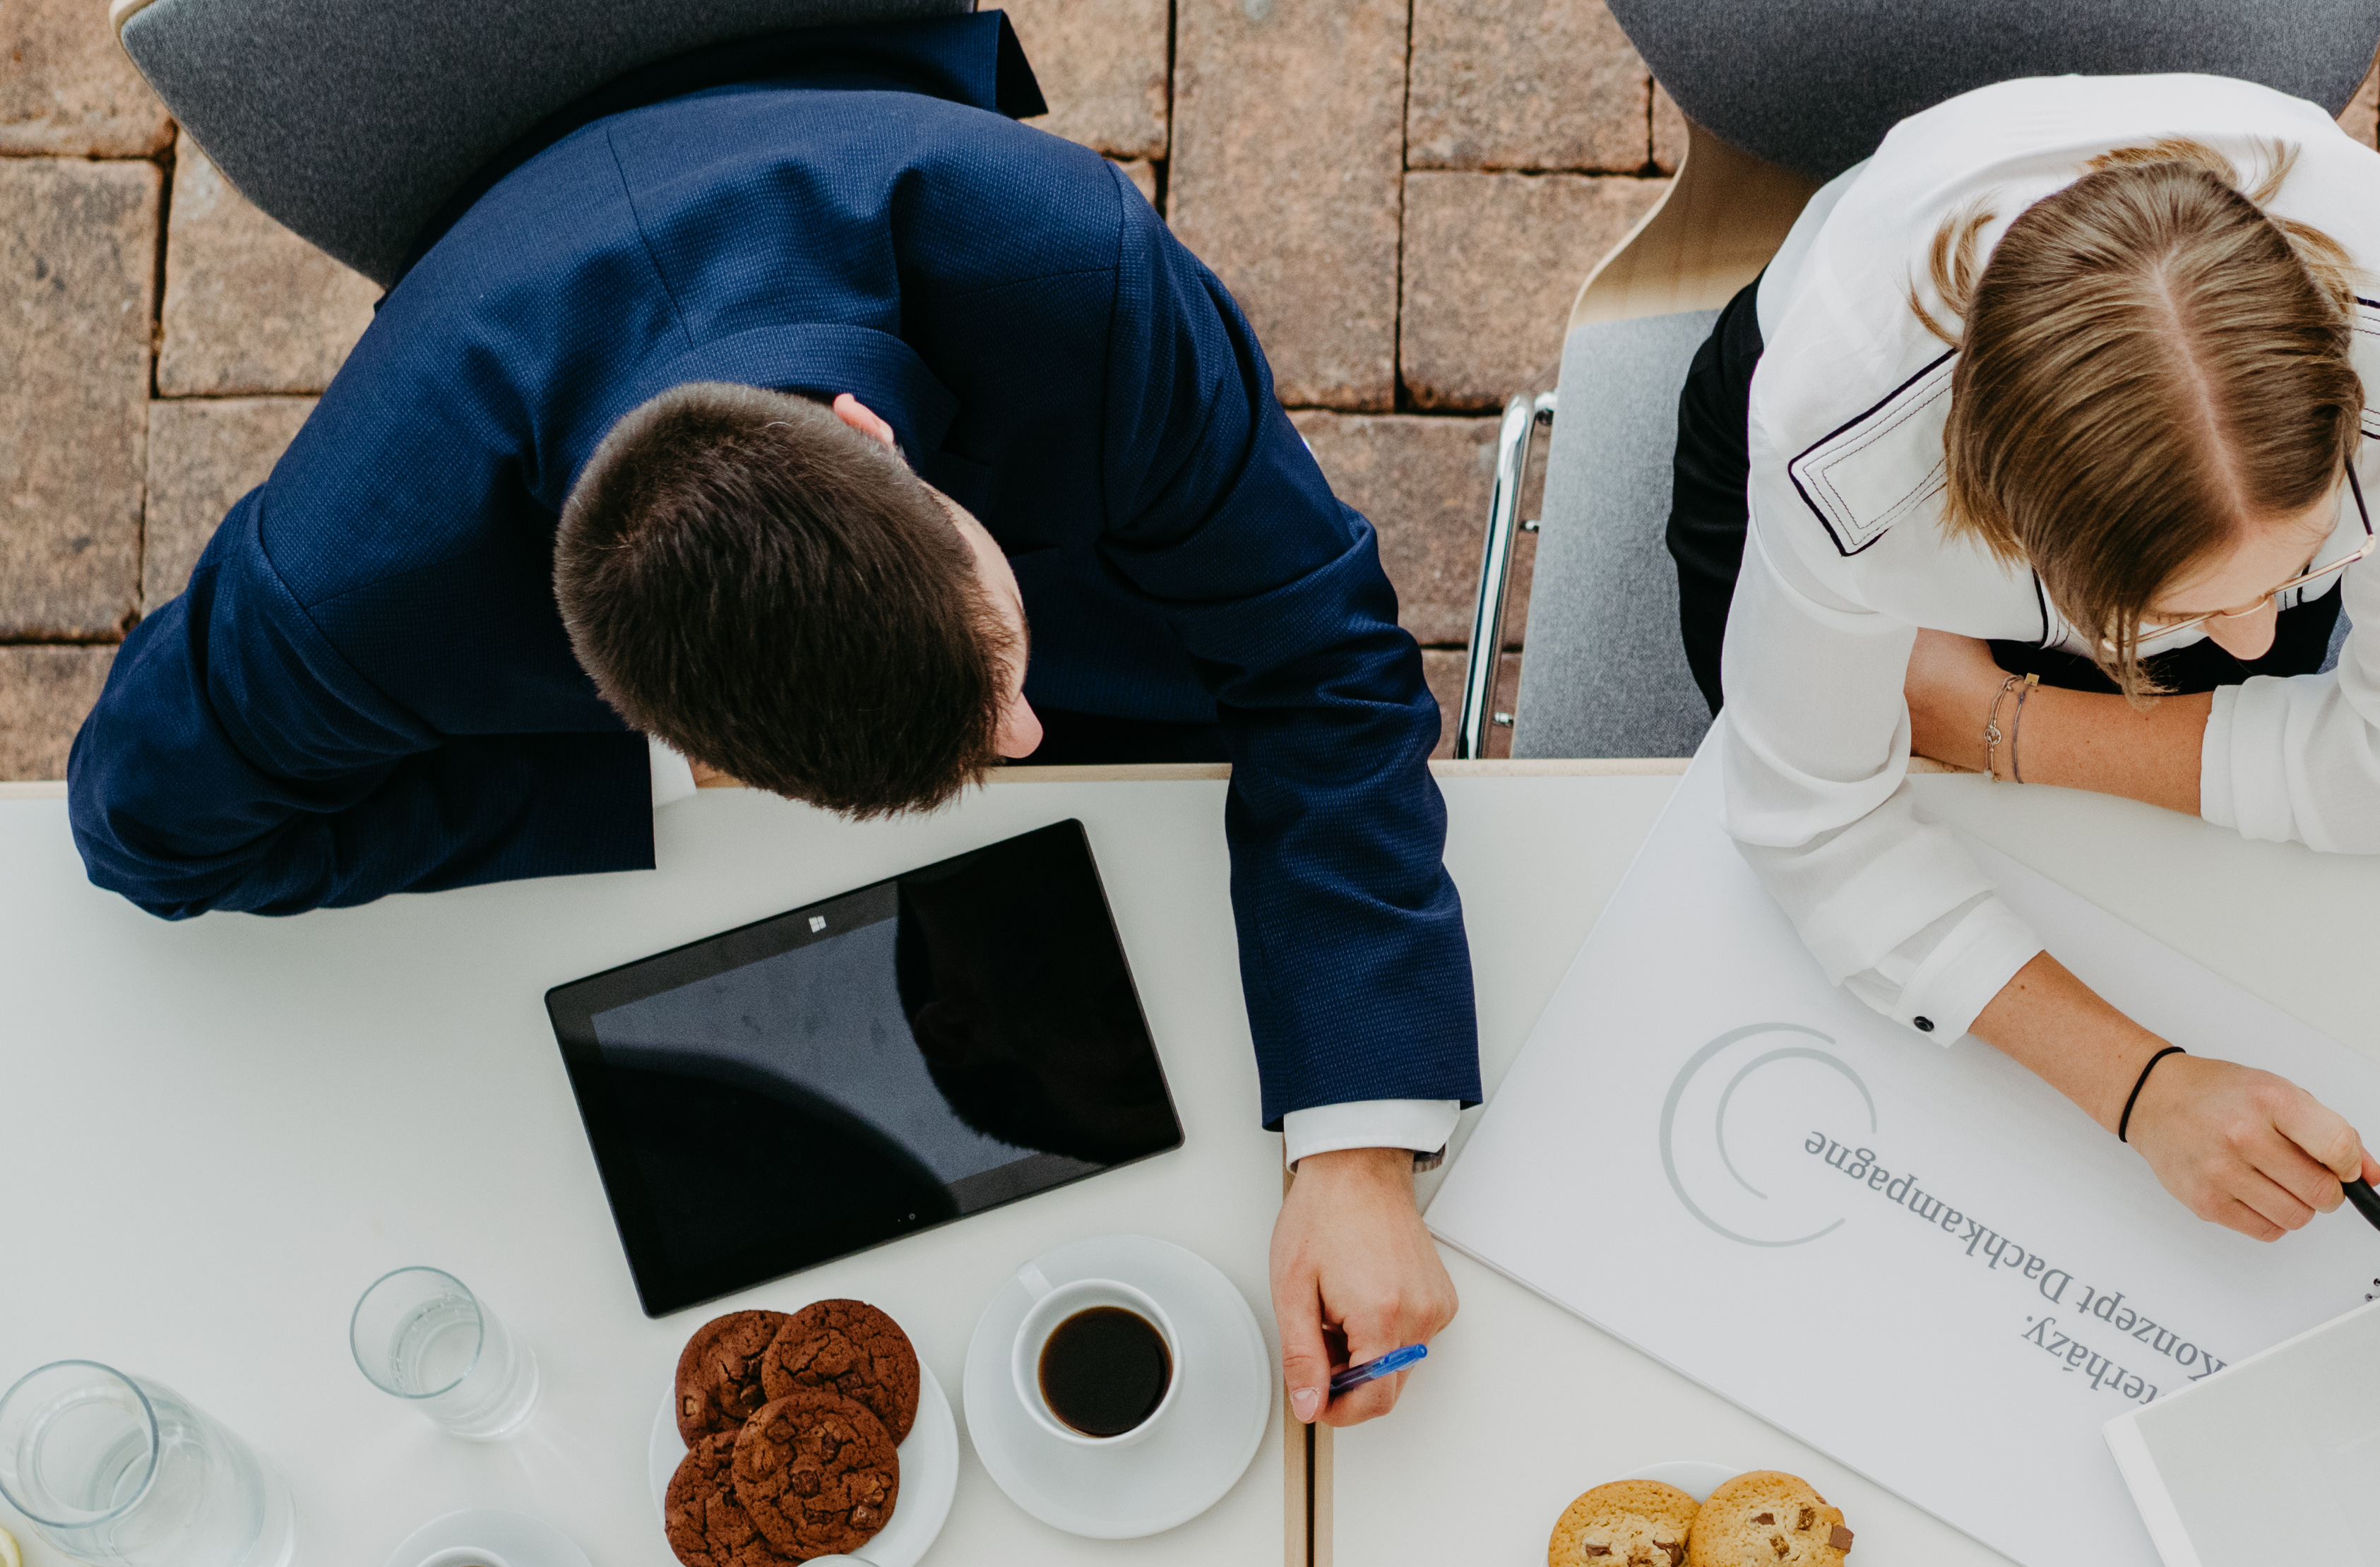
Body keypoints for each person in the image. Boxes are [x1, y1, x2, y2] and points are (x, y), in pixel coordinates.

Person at [66, 17, 1460, 1430]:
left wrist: (1359, 1139)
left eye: (999, 672)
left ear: (871, 436)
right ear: (623, 700)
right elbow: (145, 831)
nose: (1027, 738)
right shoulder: (352, 581)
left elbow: (1320, 658)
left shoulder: (1062, 263)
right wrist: (645, 794)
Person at [1671, 75, 2380, 1247]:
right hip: (1844, 476)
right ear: (2016, 541)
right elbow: (1807, 826)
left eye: (2304, 563)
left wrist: (1995, 724)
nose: (2264, 643)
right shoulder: (1843, 458)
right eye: (2194, 608)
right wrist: (2143, 1086)